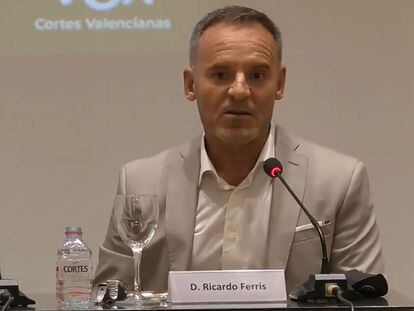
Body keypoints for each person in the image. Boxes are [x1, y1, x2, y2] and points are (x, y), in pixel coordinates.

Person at [94, 5, 384, 293]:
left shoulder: (339, 181)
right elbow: (107, 296)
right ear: (190, 84)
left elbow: (366, 298)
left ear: (279, 84)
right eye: (221, 75)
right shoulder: (141, 181)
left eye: (257, 75)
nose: (239, 90)